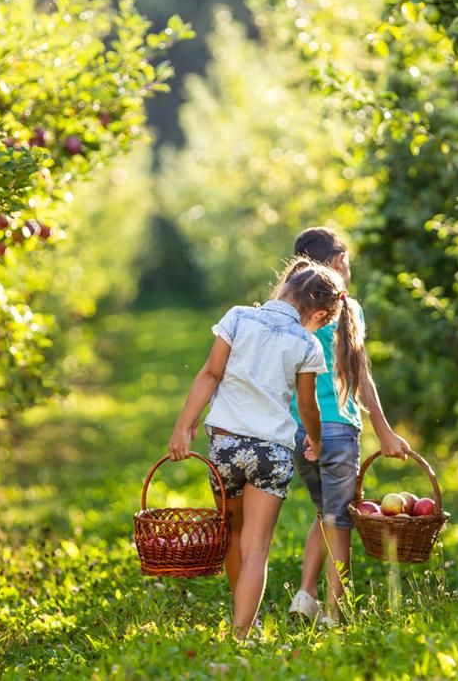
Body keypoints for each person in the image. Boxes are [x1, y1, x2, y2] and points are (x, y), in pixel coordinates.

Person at [168, 257, 366, 639]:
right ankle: (241, 633)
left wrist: (184, 427)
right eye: (323, 322)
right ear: (321, 313)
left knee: (231, 533)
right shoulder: (306, 343)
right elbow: (308, 406)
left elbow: (210, 374)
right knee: (257, 547)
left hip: (225, 446)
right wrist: (316, 438)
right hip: (271, 453)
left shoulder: (239, 317)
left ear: (286, 290)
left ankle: (246, 618)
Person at [287, 227, 410, 625]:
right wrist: (384, 430)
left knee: (325, 512)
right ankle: (335, 613)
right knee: (340, 522)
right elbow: (361, 378)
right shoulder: (346, 307)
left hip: (297, 430)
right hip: (338, 429)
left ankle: (305, 597)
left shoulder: (291, 308)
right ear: (339, 263)